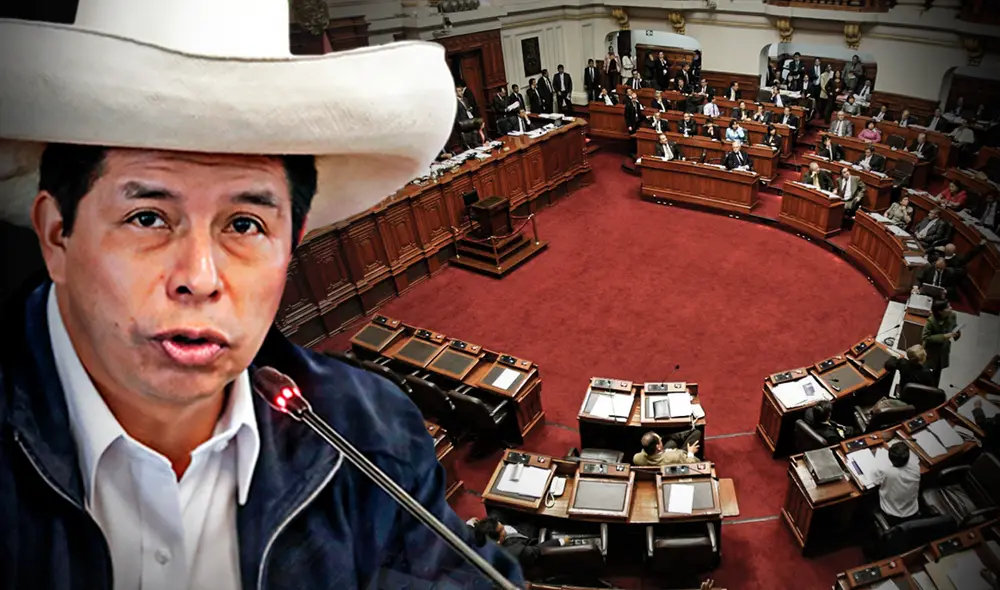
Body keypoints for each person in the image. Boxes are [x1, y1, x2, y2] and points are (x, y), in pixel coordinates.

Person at [0, 1, 523, 588]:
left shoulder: (374, 432)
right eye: (147, 218)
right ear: (56, 234)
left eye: (245, 225)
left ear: (293, 241)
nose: (199, 278)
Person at [470, 516, 568, 570]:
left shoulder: (475, 535)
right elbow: (537, 550)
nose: (504, 527)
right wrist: (562, 541)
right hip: (529, 534)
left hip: (520, 526)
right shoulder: (516, 552)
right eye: (502, 529)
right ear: (498, 541)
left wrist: (470, 523)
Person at [872, 440, 921, 526]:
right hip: (912, 511)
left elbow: (875, 481)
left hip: (891, 514)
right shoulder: (916, 467)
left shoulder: (885, 470)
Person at [922, 299, 960, 386]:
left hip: (944, 350)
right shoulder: (931, 321)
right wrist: (944, 336)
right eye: (947, 307)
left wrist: (957, 333)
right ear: (940, 311)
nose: (951, 308)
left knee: (939, 370)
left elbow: (954, 326)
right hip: (931, 350)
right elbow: (926, 337)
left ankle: (935, 386)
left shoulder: (953, 315)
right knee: (927, 370)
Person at [633, 430, 702, 466]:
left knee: (672, 442)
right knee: (697, 433)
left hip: (662, 456)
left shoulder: (636, 458)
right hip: (675, 459)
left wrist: (665, 452)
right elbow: (692, 463)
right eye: (660, 440)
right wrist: (690, 453)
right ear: (658, 447)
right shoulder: (676, 456)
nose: (661, 440)